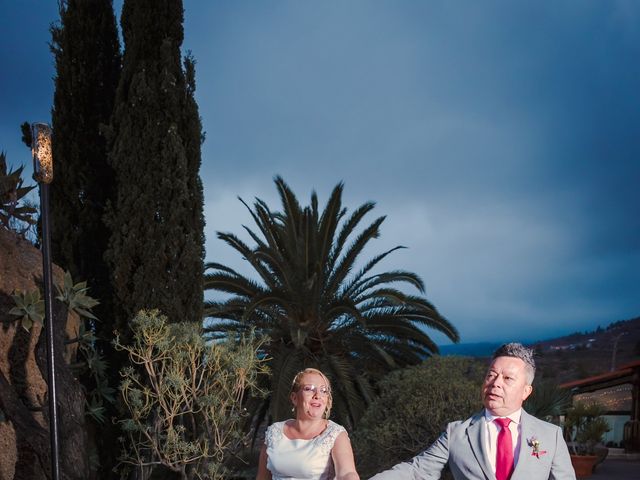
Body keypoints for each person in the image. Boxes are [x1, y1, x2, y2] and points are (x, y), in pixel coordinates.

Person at [370, 343, 576, 480]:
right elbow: (416, 471)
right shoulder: (456, 433)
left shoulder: (551, 436)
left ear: (526, 391)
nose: (495, 384)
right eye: (491, 375)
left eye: (507, 378)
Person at [256, 367, 360, 480]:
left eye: (323, 390)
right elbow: (262, 477)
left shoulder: (335, 434)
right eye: (309, 389)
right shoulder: (274, 432)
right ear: (294, 398)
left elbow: (347, 473)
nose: (317, 395)